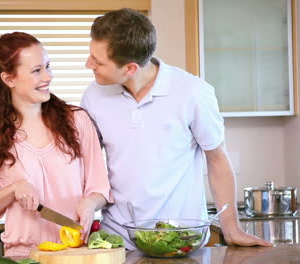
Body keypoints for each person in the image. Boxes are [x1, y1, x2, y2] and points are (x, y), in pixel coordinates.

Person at [80, 8, 272, 248]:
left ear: (130, 68)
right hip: (119, 238)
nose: (88, 64)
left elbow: (217, 159)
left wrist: (231, 229)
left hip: (182, 238)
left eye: (97, 61)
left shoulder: (193, 93)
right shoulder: (93, 95)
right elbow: (88, 164)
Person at [0, 32, 112, 257]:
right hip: (23, 256)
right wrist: (13, 189)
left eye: (48, 66)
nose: (48, 77)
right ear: (9, 79)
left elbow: (99, 188)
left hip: (74, 254)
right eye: (36, 70)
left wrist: (90, 204)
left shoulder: (77, 120)